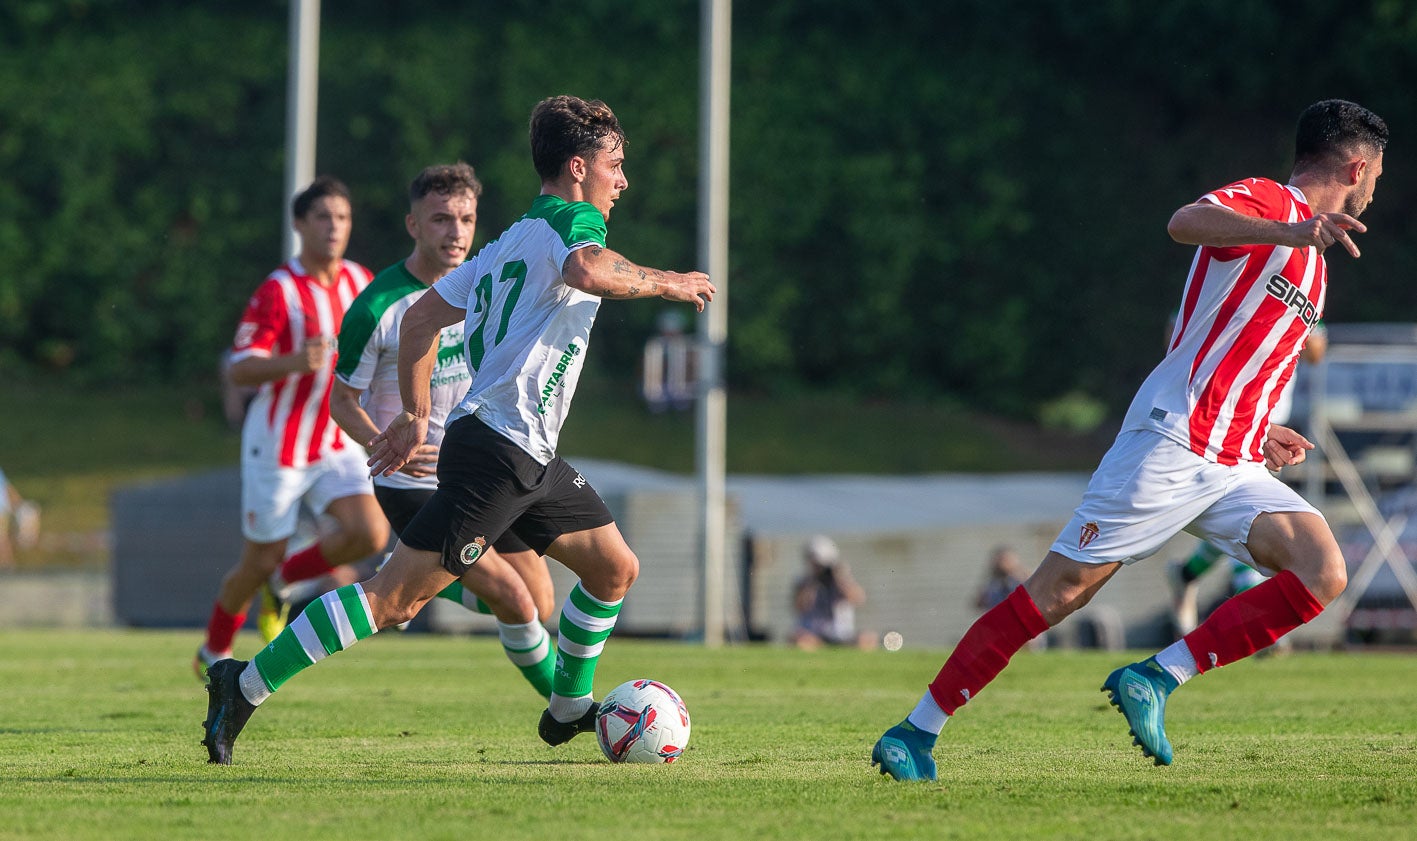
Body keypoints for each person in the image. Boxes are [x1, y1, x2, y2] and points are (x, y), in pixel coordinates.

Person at [872, 99, 1386, 780]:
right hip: (1171, 442)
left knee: (1322, 569)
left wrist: (1259, 427)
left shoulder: (1315, 264)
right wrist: (1290, 230)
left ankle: (1157, 674)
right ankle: (914, 731)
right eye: (1378, 170)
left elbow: (1225, 347)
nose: (1378, 184)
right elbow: (1184, 222)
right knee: (1058, 593)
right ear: (1357, 165)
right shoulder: (1272, 202)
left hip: (1231, 457)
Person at [200, 95, 715, 765]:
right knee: (390, 600)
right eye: (616, 166)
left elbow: (420, 323)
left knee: (613, 566)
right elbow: (588, 269)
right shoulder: (571, 223)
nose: (623, 181)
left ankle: (565, 708)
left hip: (521, 450)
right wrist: (668, 281)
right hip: (497, 452)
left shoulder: (508, 240)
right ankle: (240, 683)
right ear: (579, 167)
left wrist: (416, 416)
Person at [327, 161, 557, 697]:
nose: (455, 233)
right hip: (413, 486)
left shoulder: (482, 282)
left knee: (541, 600)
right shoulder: (378, 306)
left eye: (466, 219)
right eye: (440, 220)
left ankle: (412, 572)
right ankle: (574, 712)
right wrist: (386, 445)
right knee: (518, 605)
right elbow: (341, 401)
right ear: (413, 225)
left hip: (476, 473)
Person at [194, 176, 389, 680]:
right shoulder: (279, 290)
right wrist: (293, 362)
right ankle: (213, 652)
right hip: (278, 443)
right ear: (300, 224)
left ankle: (283, 581)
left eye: (342, 217)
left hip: (333, 438)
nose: (334, 227)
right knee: (257, 560)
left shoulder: (359, 281)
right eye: (323, 216)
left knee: (369, 533)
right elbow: (239, 368)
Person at [1165, 323, 1329, 635]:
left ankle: (1187, 574)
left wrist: (1297, 327)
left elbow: (1318, 354)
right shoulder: (1229, 281)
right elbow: (1177, 337)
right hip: (1230, 422)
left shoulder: (1303, 291)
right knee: (1247, 512)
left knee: (1243, 513)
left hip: (1273, 425)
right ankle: (1251, 617)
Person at [790, 535, 874, 650]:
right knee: (800, 640)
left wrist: (840, 579)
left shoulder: (841, 581)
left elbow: (859, 599)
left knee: (866, 640)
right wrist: (812, 582)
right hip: (814, 634)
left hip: (842, 635)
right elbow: (799, 607)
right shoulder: (804, 582)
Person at [0, 467, 40, 568]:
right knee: (3, 538)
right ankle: (8, 565)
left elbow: (7, 487)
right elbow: (8, 487)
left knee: (2, 539)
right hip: (3, 508)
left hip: (2, 509)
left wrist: (19, 503)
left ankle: (7, 565)